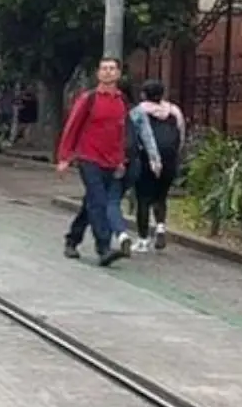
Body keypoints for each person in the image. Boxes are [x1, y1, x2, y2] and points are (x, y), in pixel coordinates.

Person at [57, 57, 149, 266]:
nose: (108, 72)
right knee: (99, 201)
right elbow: (72, 127)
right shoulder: (88, 98)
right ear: (98, 73)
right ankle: (104, 248)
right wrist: (64, 158)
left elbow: (120, 134)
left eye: (112, 69)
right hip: (88, 158)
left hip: (111, 161)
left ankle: (72, 239)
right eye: (104, 69)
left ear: (118, 74)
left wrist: (119, 161)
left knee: (90, 202)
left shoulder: (121, 102)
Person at [133, 79, 185, 252]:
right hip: (169, 160)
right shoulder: (174, 111)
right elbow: (181, 135)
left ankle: (143, 239)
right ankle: (161, 226)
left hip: (145, 160)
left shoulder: (139, 111)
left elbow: (132, 136)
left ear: (143, 94)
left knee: (143, 199)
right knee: (161, 196)